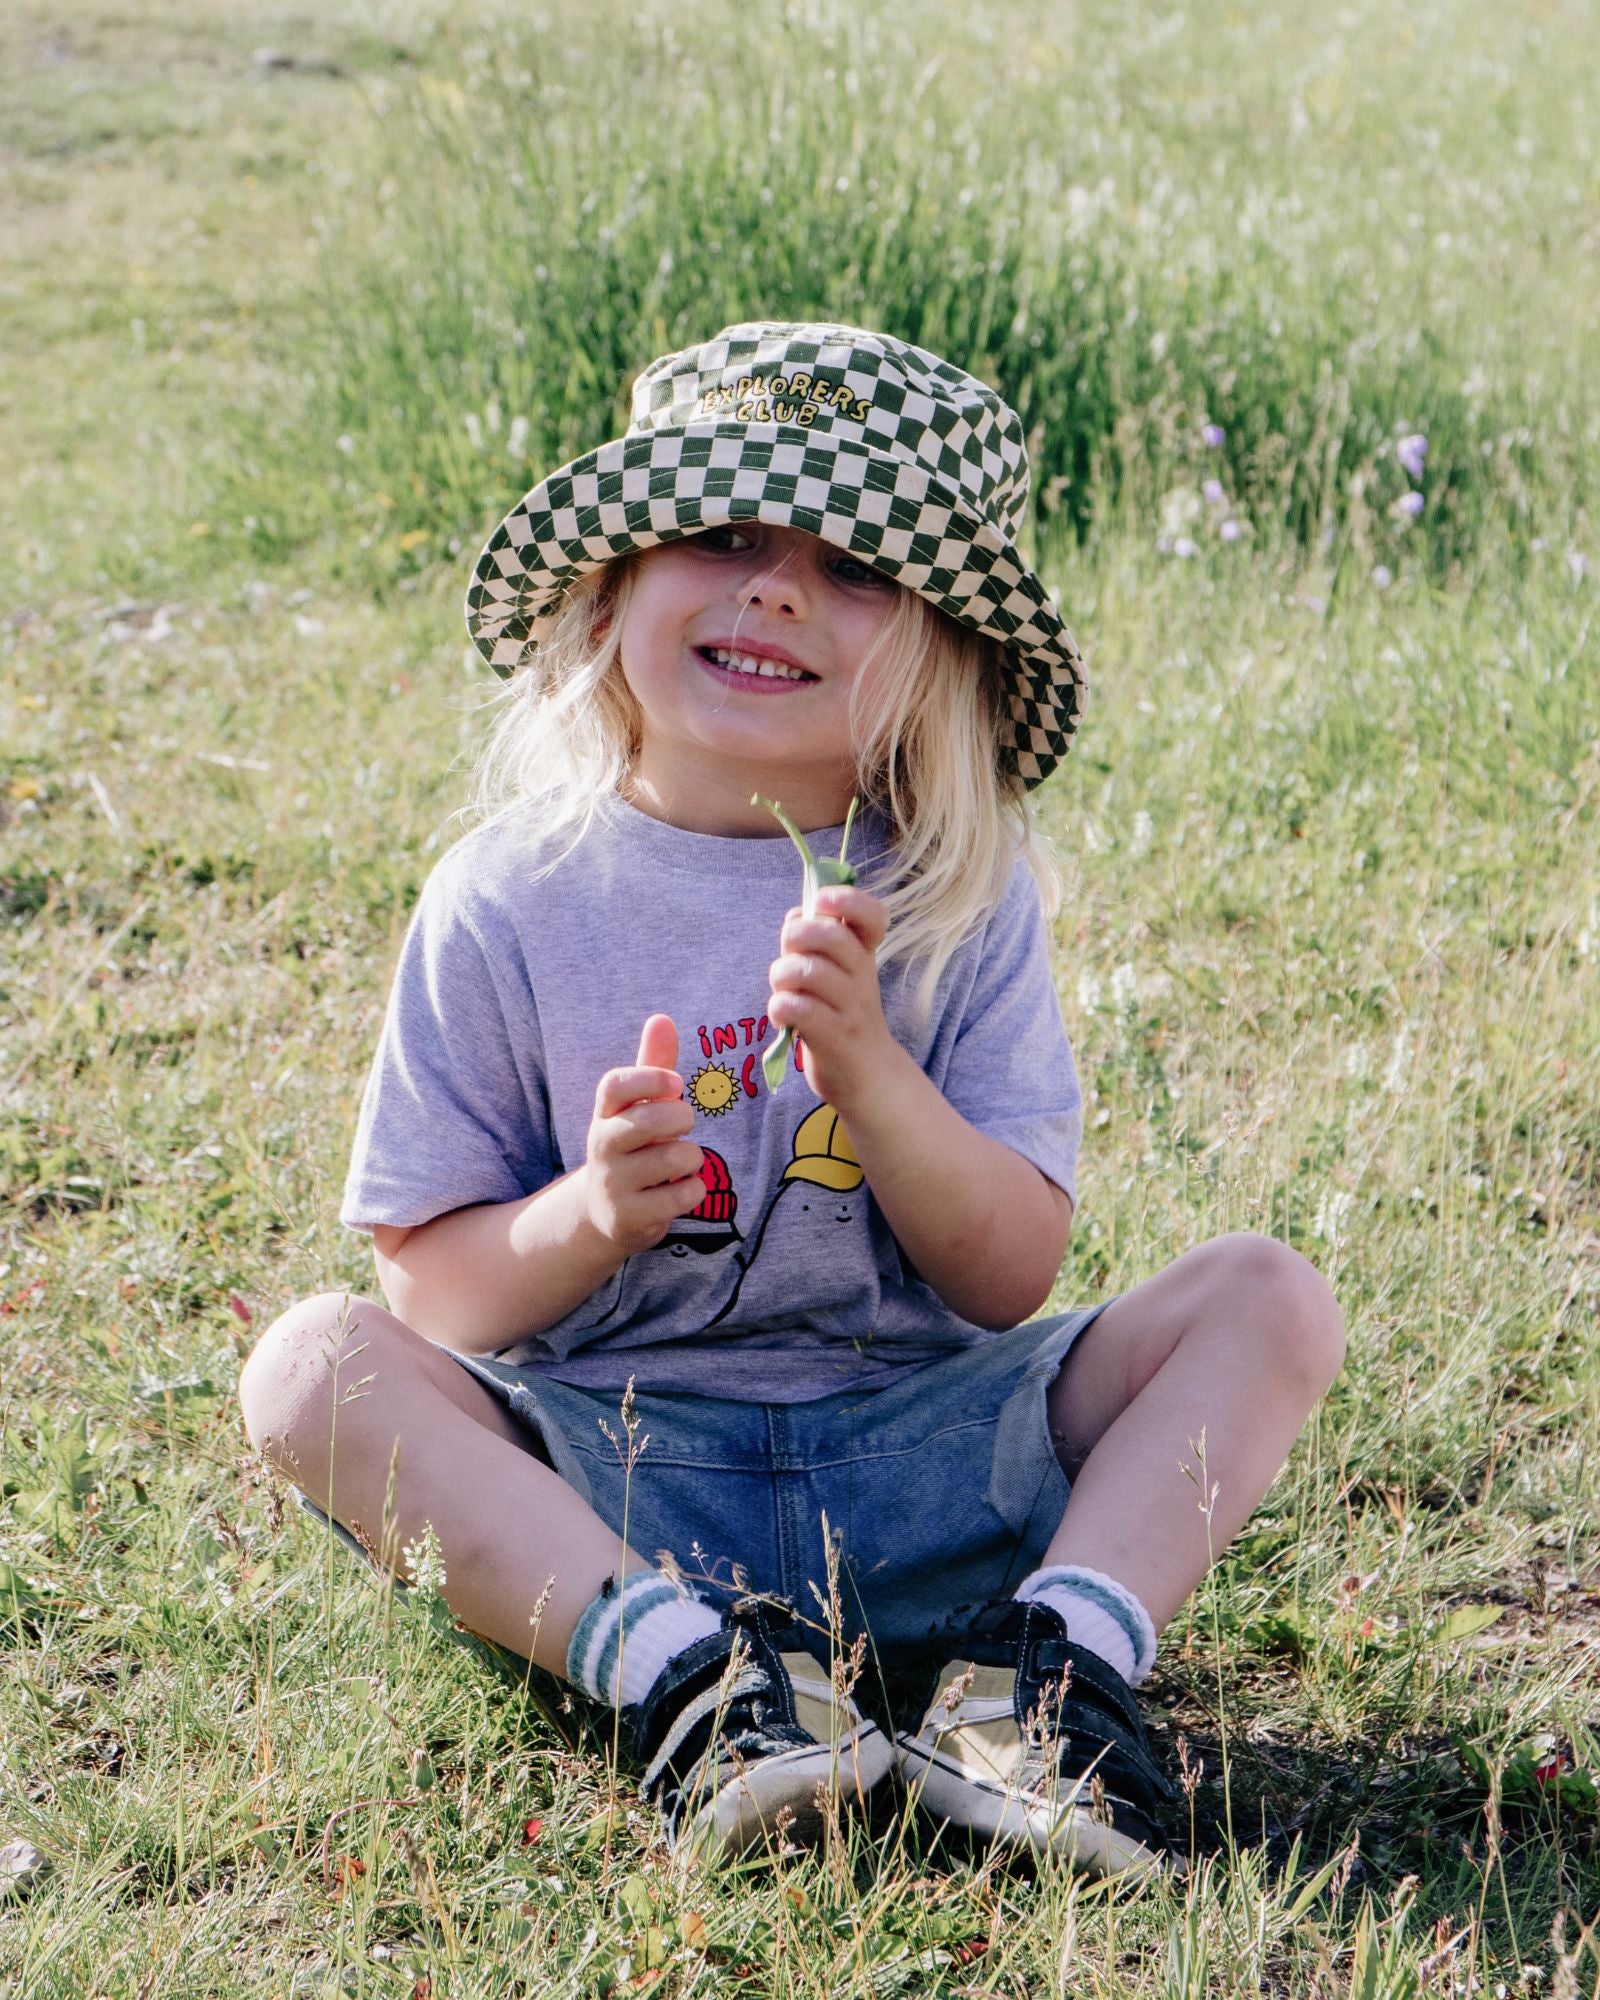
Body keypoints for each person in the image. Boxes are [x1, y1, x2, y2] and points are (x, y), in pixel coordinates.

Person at [239, 321, 1345, 1874]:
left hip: (935, 1462)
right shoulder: (506, 898)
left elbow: (1011, 1270)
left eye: (855, 568)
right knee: (310, 1373)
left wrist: (873, 1081)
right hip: (620, 1479)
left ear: (942, 653)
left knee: (1267, 1297)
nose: (775, 589)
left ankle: (1051, 1674)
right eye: (728, 535)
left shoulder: (956, 892)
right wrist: (588, 1216)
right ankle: (697, 1687)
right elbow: (431, 1297)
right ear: (613, 587)